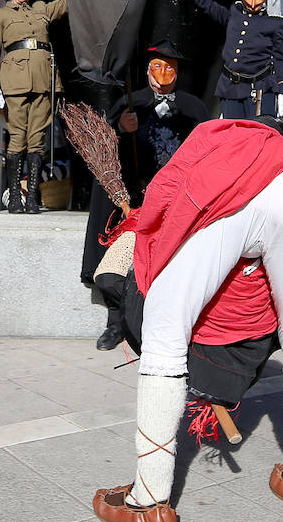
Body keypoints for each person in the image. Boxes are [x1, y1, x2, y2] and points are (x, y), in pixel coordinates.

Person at [92, 118, 283, 522]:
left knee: (164, 336)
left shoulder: (213, 146)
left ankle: (148, 504)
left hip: (233, 189)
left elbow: (167, 201)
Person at [81, 42, 210, 350]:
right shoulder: (130, 103)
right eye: (157, 66)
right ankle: (117, 324)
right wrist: (121, 129)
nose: (163, 74)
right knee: (117, 265)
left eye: (170, 68)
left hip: (177, 204)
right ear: (146, 70)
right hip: (134, 202)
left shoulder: (195, 109)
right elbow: (105, 151)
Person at [0, 0, 68, 213]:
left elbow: (69, 2)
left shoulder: (41, 9)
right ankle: (16, 199)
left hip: (44, 81)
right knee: (17, 138)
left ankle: (32, 197)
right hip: (15, 82)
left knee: (37, 141)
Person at [180, 0, 283, 119]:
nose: (254, 1)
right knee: (233, 139)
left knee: (258, 139)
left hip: (259, 89)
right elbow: (205, 3)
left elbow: (281, 59)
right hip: (230, 88)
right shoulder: (233, 15)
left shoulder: (276, 24)